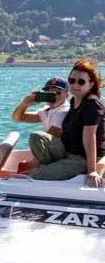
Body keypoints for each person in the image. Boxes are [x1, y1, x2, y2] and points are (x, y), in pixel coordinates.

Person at [30, 58, 105, 187]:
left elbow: (89, 137)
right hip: (67, 151)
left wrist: (92, 170)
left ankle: (59, 171)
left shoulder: (92, 104)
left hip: (81, 158)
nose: (75, 85)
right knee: (37, 137)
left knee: (37, 177)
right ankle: (54, 169)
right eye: (72, 80)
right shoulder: (74, 101)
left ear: (91, 84)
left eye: (81, 82)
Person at [11, 76, 70, 168]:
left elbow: (49, 137)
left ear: (67, 95)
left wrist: (33, 163)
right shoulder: (47, 110)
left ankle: (42, 168)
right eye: (49, 92)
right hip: (54, 152)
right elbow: (18, 118)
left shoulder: (64, 111)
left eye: (57, 93)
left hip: (65, 154)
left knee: (36, 137)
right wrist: (25, 103)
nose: (53, 96)